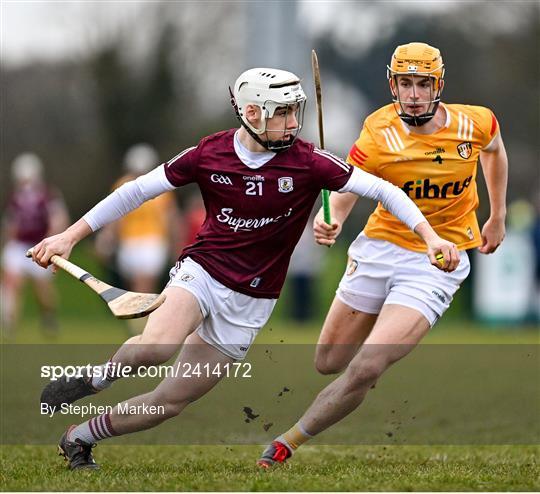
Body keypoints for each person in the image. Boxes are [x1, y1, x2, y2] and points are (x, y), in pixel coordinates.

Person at [30, 67, 458, 470]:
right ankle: (95, 380)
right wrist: (68, 236)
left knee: (169, 401)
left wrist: (431, 236)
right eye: (283, 113)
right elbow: (136, 192)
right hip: (203, 270)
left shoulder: (309, 163)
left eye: (296, 111)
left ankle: (80, 437)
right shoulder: (208, 153)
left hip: (253, 301)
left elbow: (384, 190)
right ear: (252, 112)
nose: (294, 123)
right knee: (155, 348)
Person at [257, 42, 508, 468]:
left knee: (368, 365)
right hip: (379, 249)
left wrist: (497, 215)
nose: (413, 94)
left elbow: (495, 152)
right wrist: (332, 219)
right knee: (328, 361)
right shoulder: (378, 131)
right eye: (405, 83)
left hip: (436, 263)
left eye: (422, 84)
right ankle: (358, 373)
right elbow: (351, 184)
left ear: (439, 85)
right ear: (393, 85)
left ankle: (288, 441)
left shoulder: (475, 122)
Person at [94, 144, 180, 334]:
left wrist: (176, 246)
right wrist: (107, 238)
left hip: (153, 242)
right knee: (135, 284)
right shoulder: (122, 185)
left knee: (144, 283)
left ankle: (142, 327)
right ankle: (143, 323)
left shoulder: (162, 188)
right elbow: (115, 215)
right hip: (129, 243)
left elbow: (170, 219)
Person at [1, 153, 69, 338]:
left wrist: (52, 242)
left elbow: (59, 219)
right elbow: (11, 225)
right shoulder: (15, 198)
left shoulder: (48, 195)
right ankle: (9, 323)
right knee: (11, 282)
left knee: (42, 288)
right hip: (19, 245)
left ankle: (49, 318)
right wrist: (7, 244)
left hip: (40, 244)